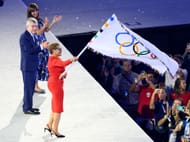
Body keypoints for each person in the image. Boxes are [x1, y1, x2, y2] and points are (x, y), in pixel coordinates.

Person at [27, 3, 62, 93]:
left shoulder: (39, 20)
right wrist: (44, 25)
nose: (35, 13)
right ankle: (35, 86)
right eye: (33, 11)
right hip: (37, 46)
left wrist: (53, 21)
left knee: (43, 65)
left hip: (44, 45)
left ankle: (36, 85)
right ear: (30, 12)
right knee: (36, 67)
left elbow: (46, 30)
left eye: (36, 11)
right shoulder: (31, 22)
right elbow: (38, 32)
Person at [44, 43, 77, 138]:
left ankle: (49, 125)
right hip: (56, 85)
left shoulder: (55, 59)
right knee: (58, 108)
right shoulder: (53, 59)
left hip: (55, 83)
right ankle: (55, 130)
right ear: (53, 50)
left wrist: (63, 74)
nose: (60, 50)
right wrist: (71, 60)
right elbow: (63, 64)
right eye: (59, 49)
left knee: (55, 107)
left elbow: (59, 68)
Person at [20, 17, 49, 115]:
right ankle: (27, 108)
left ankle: (29, 106)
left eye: (36, 26)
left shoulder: (33, 36)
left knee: (31, 87)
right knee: (28, 88)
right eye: (33, 26)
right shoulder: (24, 37)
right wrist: (41, 47)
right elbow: (29, 51)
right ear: (27, 26)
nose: (35, 28)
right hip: (28, 67)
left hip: (32, 66)